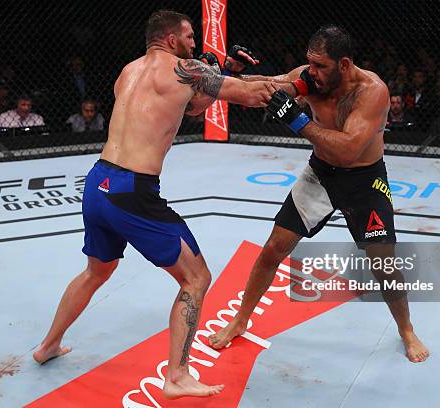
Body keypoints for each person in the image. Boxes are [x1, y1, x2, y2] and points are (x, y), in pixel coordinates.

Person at [32, 9, 281, 400]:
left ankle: (47, 346)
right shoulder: (184, 70)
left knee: (96, 272)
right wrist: (292, 83)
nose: (195, 43)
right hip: (133, 191)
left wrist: (223, 70)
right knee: (196, 279)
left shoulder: (128, 73)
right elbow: (249, 95)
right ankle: (177, 375)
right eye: (189, 36)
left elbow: (190, 104)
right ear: (170, 39)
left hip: (98, 183)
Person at [208, 25, 429, 363]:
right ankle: (240, 320)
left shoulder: (372, 92)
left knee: (384, 264)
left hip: (364, 182)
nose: (312, 72)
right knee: (273, 249)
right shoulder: (311, 78)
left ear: (343, 64)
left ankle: (406, 329)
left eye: (320, 65)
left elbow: (348, 151)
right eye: (309, 63)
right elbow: (271, 84)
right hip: (321, 174)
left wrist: (296, 120)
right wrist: (222, 73)